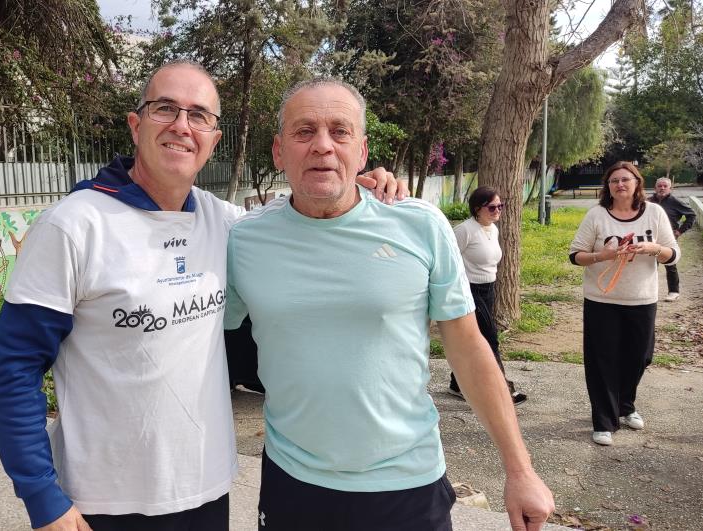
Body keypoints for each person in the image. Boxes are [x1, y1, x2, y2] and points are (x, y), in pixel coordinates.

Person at [0, 61, 405, 531]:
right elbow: (12, 373)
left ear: (214, 139)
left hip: (205, 490)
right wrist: (43, 498)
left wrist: (357, 187)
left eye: (199, 115)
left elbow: (302, 218)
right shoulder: (73, 226)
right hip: (102, 502)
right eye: (166, 109)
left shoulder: (226, 224)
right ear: (136, 124)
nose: (182, 126)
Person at [224, 77, 554, 531]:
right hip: (292, 482)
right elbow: (201, 340)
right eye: (304, 131)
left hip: (406, 482)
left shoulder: (419, 225)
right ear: (279, 151)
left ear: (362, 152)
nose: (322, 145)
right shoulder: (243, 239)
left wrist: (520, 471)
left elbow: (468, 348)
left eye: (340, 131)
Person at [569, 161, 680, 447]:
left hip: (642, 299)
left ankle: (625, 405)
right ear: (607, 186)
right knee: (602, 360)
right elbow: (575, 255)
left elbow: (673, 254)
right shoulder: (596, 215)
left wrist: (655, 249)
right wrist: (602, 255)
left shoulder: (654, 213)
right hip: (601, 300)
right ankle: (604, 421)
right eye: (614, 180)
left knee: (640, 357)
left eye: (625, 179)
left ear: (637, 183)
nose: (620, 184)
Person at [447, 186, 527, 405]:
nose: (497, 210)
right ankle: (503, 390)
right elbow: (448, 259)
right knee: (490, 338)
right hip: (469, 290)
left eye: (500, 206)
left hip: (489, 289)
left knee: (475, 338)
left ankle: (457, 383)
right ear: (477, 208)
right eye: (492, 207)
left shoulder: (493, 229)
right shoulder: (465, 230)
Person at [648, 177, 695, 302]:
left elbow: (691, 215)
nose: (662, 188)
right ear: (655, 188)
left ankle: (674, 291)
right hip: (651, 237)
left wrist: (680, 231)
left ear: (670, 188)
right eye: (659, 186)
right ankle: (650, 291)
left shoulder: (675, 202)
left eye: (665, 186)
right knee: (650, 265)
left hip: (668, 238)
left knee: (670, 264)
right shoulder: (648, 201)